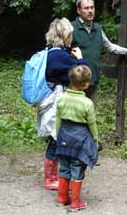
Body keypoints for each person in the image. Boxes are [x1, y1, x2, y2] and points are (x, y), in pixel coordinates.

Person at [38, 18, 89, 191]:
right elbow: (82, 74)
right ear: (64, 35)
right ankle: (51, 178)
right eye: (70, 35)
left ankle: (52, 176)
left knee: (55, 138)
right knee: (56, 139)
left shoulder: (50, 52)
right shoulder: (60, 55)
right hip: (55, 103)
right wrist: (81, 59)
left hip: (49, 100)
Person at [71, 0, 127, 102]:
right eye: (86, 8)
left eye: (92, 8)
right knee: (75, 115)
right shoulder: (71, 28)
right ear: (78, 10)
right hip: (75, 82)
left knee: (90, 113)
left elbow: (109, 46)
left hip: (92, 79)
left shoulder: (97, 28)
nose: (90, 11)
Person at [55, 65, 99, 211]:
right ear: (86, 84)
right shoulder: (87, 103)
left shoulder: (61, 99)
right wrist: (95, 139)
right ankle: (75, 202)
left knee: (64, 167)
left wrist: (57, 136)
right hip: (79, 141)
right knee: (77, 168)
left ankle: (62, 197)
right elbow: (91, 123)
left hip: (63, 138)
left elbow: (58, 120)